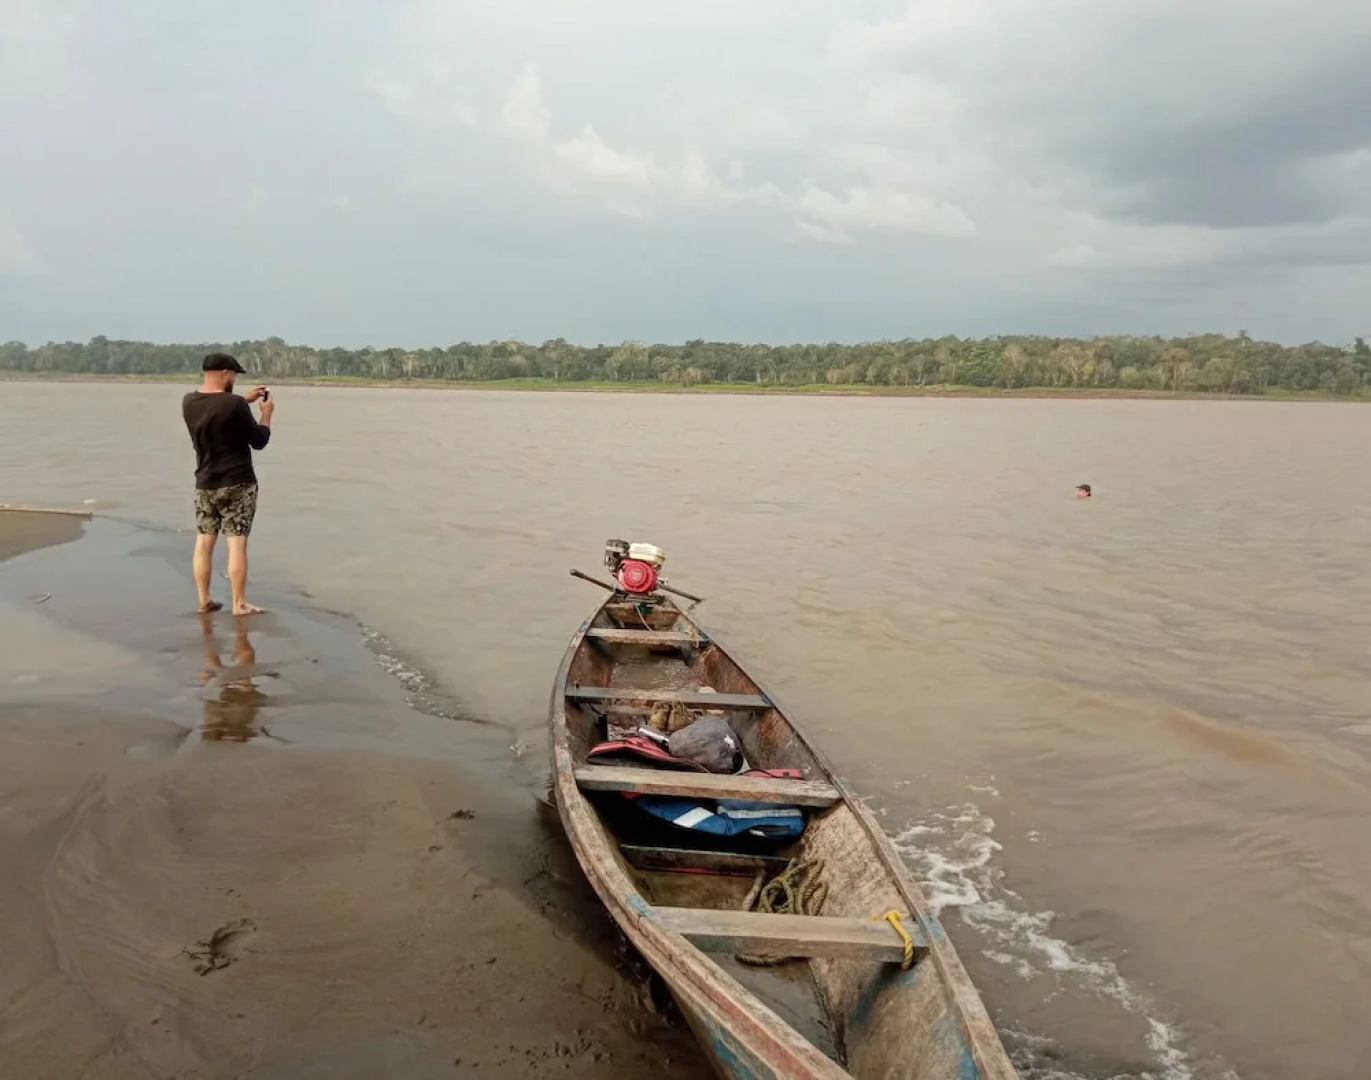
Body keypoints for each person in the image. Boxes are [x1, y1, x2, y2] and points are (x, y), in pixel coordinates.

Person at [182, 352, 274, 614]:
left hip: (205, 482)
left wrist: (244, 400)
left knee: (204, 541)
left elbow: (216, 410)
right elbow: (259, 441)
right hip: (238, 482)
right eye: (233, 375)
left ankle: (204, 600)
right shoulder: (234, 405)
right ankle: (239, 603)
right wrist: (266, 415)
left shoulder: (189, 401)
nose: (234, 379)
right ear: (225, 373)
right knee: (236, 542)